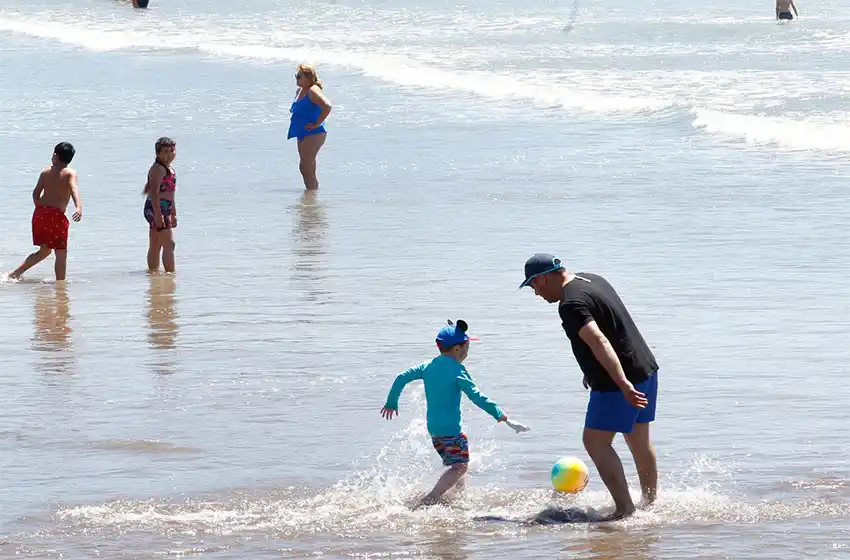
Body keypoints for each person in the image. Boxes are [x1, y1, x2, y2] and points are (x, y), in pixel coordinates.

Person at [520, 254, 658, 520]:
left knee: (594, 441)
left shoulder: (570, 304)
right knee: (639, 440)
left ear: (542, 278)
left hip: (619, 380)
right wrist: (590, 369)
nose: (536, 294)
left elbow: (599, 341)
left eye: (533, 286)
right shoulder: (592, 279)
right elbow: (613, 324)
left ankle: (624, 510)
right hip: (645, 367)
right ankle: (650, 504)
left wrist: (622, 384)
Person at [380, 320, 529, 508]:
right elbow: (477, 397)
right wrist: (501, 416)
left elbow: (402, 377)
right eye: (467, 347)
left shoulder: (428, 366)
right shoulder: (458, 370)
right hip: (451, 430)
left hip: (434, 429)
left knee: (458, 465)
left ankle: (457, 498)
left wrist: (391, 402)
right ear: (458, 348)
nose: (468, 352)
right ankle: (431, 499)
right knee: (460, 466)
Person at [7, 142, 82, 282]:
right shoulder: (70, 173)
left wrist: (40, 208)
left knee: (44, 251)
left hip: (40, 214)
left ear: (55, 156)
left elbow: (35, 193)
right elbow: (73, 189)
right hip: (56, 216)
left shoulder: (45, 172)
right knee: (61, 253)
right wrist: (78, 207)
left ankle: (14, 274)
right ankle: (61, 285)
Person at [287, 64, 332, 190]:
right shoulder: (300, 91)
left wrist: (317, 123)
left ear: (308, 77)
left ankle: (311, 195)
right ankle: (311, 197)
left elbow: (327, 106)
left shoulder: (313, 90)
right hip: (302, 131)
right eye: (296, 76)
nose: (297, 78)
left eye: (299, 76)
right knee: (308, 168)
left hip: (314, 132)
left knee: (304, 167)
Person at [143, 137, 177, 273]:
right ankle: (170, 275)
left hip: (165, 208)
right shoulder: (158, 169)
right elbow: (154, 192)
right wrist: (158, 215)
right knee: (169, 244)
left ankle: (153, 274)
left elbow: (171, 193)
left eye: (172, 150)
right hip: (156, 208)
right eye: (165, 151)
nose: (169, 154)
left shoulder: (169, 169)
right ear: (157, 153)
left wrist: (173, 213)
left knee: (156, 243)